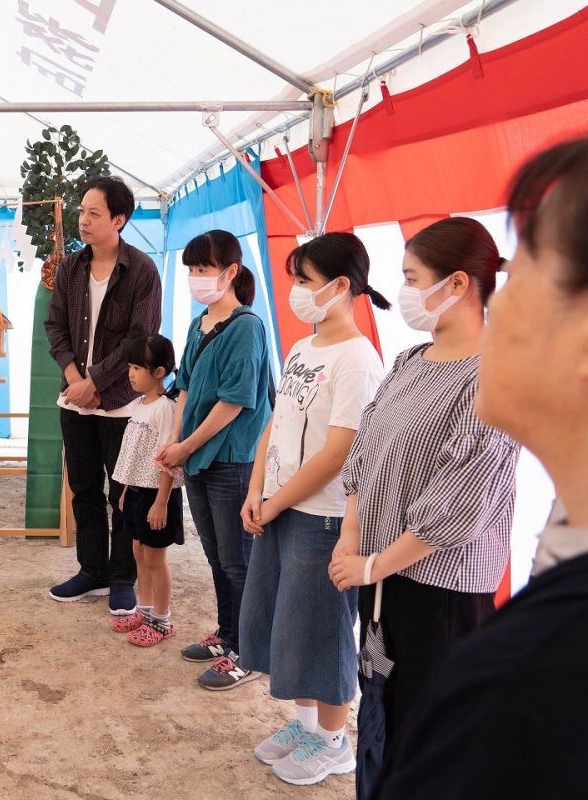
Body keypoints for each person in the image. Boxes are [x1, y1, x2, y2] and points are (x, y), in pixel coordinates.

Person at [373, 139, 588, 799]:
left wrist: (374, 561)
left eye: (517, 276)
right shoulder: (560, 567)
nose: (497, 309)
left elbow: (455, 505)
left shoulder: (533, 673)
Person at [328, 217, 520, 795]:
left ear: (457, 284)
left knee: (430, 733)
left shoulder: (496, 374)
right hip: (380, 580)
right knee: (381, 720)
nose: (405, 292)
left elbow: (462, 500)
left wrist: (374, 564)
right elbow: (365, 451)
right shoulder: (412, 360)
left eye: (412, 278)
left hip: (440, 594)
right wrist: (350, 540)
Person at [239, 233, 388, 785]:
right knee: (286, 624)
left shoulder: (358, 359)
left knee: (322, 630)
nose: (296, 290)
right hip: (280, 508)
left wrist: (273, 502)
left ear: (340, 285)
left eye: (304, 280)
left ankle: (333, 739)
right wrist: (257, 492)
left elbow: (338, 453)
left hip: (321, 515)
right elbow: (275, 425)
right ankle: (305, 725)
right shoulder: (303, 348)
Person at [155, 229, 274, 690]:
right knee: (217, 556)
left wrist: (185, 446)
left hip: (231, 458)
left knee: (239, 560)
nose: (195, 277)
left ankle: (249, 649)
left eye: (203, 269)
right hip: (199, 456)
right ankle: (227, 635)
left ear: (230, 272)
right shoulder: (199, 322)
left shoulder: (247, 326)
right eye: (192, 269)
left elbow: (235, 402)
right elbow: (185, 388)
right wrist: (176, 441)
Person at [46, 176, 163, 615]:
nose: (83, 221)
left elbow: (140, 337)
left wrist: (94, 382)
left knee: (122, 493)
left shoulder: (142, 271)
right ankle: (91, 571)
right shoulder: (70, 269)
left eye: (94, 214)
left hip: (121, 403)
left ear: (119, 219)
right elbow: (55, 327)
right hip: (74, 399)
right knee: (83, 489)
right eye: (81, 212)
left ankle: (121, 577)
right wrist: (76, 379)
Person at [109, 335, 185, 647]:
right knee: (139, 553)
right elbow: (134, 453)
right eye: (130, 366)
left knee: (156, 559)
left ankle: (162, 620)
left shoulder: (165, 409)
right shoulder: (139, 405)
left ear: (159, 372)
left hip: (157, 496)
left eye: (137, 367)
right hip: (138, 492)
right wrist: (126, 488)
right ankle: (145, 610)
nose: (130, 373)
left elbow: (168, 459)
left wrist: (161, 502)